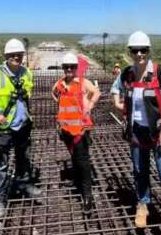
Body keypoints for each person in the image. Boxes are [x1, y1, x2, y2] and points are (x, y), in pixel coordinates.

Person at [111, 31, 161, 234]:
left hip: (159, 133)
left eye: (143, 50)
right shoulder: (127, 74)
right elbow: (115, 89)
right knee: (140, 172)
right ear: (129, 52)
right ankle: (143, 204)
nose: (139, 54)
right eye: (135, 50)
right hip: (137, 132)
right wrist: (118, 103)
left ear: (148, 50)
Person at [0, 38, 41, 220]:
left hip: (22, 126)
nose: (16, 57)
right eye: (12, 55)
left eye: (19, 55)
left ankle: (23, 184)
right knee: (0, 166)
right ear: (6, 56)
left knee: (23, 159)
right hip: (3, 129)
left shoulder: (27, 73)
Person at [51, 52, 101, 214]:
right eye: (66, 67)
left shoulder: (82, 83)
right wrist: (59, 101)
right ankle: (78, 182)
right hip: (65, 130)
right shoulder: (60, 84)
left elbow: (97, 92)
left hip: (80, 130)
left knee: (83, 162)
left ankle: (87, 195)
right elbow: (54, 93)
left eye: (72, 67)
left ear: (76, 68)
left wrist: (89, 105)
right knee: (74, 158)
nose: (69, 70)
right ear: (63, 68)